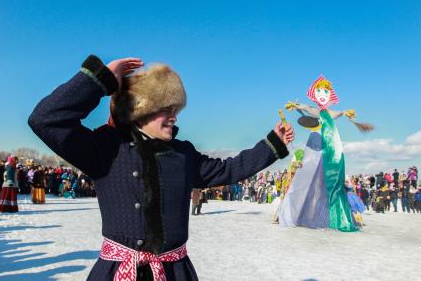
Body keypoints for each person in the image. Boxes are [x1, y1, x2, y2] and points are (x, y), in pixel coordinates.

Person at [28, 54, 295, 280]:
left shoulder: (182, 154)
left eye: (175, 108)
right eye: (165, 109)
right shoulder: (105, 148)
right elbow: (45, 119)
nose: (174, 116)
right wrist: (102, 80)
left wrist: (271, 145)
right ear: (141, 110)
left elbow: (229, 169)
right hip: (118, 271)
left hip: (174, 272)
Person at [278, 76, 373, 232]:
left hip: (331, 148)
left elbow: (338, 113)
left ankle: (334, 217)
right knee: (309, 180)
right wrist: (296, 106)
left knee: (332, 182)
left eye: (325, 91)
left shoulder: (329, 112)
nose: (322, 94)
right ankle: (301, 213)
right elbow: (308, 109)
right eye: (319, 91)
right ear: (315, 93)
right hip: (317, 146)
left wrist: (345, 112)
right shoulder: (318, 111)